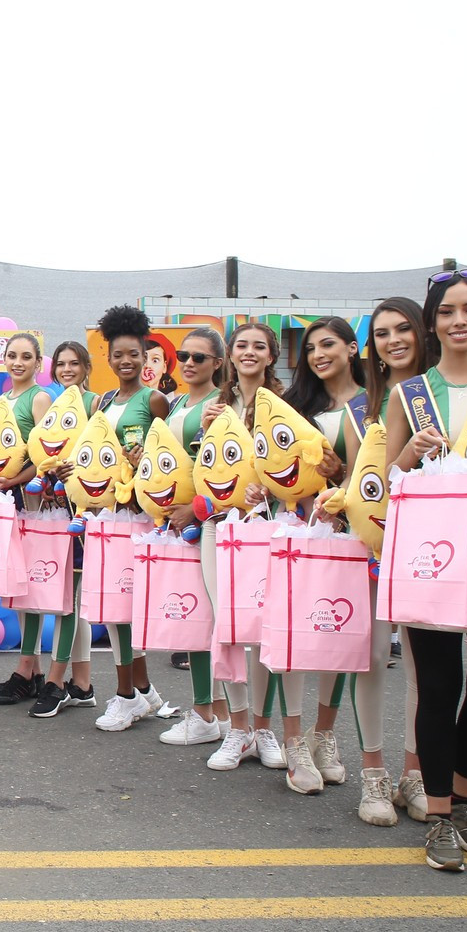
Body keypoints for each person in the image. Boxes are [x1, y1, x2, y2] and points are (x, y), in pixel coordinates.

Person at [385, 268, 467, 871]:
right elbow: (383, 483)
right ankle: (436, 817)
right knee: (438, 687)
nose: (460, 320)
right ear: (433, 323)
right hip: (433, 557)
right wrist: (410, 454)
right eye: (448, 312)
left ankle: (465, 801)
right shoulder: (411, 393)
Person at [280, 316, 367, 790]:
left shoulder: (375, 403)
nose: (318, 354)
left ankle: (324, 733)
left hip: (353, 535)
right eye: (311, 348)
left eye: (328, 344)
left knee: (340, 632)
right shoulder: (295, 407)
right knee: (296, 636)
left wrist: (342, 477)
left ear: (353, 348)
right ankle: (293, 739)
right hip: (300, 529)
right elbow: (275, 470)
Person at [356, 297, 431, 823]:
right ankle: (373, 777)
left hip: (429, 544)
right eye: (383, 333)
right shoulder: (366, 403)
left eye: (403, 329)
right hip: (373, 544)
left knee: (428, 668)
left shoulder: (435, 395)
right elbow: (371, 480)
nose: (394, 340)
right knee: (373, 659)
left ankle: (416, 774)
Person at [201, 323, 286, 771]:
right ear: (230, 355)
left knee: (265, 625)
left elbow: (294, 471)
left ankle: (264, 726)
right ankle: (236, 729)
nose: (249, 353)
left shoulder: (285, 407)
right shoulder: (216, 407)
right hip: (220, 530)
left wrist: (269, 492)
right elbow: (204, 475)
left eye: (259, 346)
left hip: (267, 532)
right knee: (226, 625)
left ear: (271, 355)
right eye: (241, 346)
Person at [90, 306, 176, 731]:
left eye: (133, 354)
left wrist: (144, 465)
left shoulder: (154, 400)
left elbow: (168, 460)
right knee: (114, 608)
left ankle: (125, 695)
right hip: (105, 518)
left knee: (123, 608)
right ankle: (142, 690)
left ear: (146, 358)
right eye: (118, 355)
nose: (125, 361)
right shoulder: (103, 402)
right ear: (108, 358)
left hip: (137, 518)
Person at [11, 340, 97, 717]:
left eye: (74, 364)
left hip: (82, 512)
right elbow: (40, 452)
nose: (67, 370)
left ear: (86, 366)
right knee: (36, 590)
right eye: (61, 364)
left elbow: (101, 456)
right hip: (47, 511)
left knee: (69, 601)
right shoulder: (52, 403)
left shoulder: (96, 405)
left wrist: (76, 469)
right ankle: (71, 682)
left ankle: (58, 682)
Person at [155, 327, 229, 745]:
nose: (188, 362)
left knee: (213, 619)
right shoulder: (178, 403)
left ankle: (210, 713)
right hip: (180, 528)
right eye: (183, 355)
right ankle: (211, 710)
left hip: (210, 524)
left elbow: (225, 475)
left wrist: (196, 509)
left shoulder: (224, 405)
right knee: (195, 617)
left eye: (199, 357)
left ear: (218, 363)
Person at [0, 331, 51, 703]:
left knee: (29, 585)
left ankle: (25, 669)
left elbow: (43, 457)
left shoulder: (38, 399)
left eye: (26, 356)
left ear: (38, 363)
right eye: (12, 355)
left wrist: (14, 479)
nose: (18, 362)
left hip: (30, 500)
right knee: (15, 585)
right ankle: (35, 672)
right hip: (3, 499)